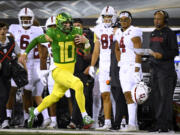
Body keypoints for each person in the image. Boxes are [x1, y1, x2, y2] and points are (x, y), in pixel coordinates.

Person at [18, 12, 94, 128]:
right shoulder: (53, 33)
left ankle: (36, 111)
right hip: (58, 70)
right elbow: (36, 40)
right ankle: (85, 116)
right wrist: (25, 53)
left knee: (55, 95)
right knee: (78, 84)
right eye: (65, 23)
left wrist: (87, 42)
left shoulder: (76, 32)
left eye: (69, 23)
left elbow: (87, 53)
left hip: (69, 70)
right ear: (58, 24)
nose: (68, 25)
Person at [1, 8, 50, 129]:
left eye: (28, 18)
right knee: (11, 91)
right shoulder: (13, 28)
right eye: (24, 18)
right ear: (20, 19)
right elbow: (8, 41)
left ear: (32, 19)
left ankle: (28, 118)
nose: (26, 20)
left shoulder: (38, 30)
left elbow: (42, 48)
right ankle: (7, 118)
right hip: (16, 62)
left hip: (31, 63)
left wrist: (43, 67)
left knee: (27, 92)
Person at [147, 10, 178, 132]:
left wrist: (162, 55)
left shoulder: (169, 33)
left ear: (165, 20)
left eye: (159, 19)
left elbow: (175, 51)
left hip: (166, 72)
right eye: (155, 18)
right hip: (154, 70)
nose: (156, 21)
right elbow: (152, 50)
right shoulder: (153, 33)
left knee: (165, 99)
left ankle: (166, 125)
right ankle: (158, 124)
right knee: (156, 98)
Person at [89, 6, 117, 130]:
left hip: (116, 65)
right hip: (104, 65)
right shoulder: (98, 29)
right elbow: (96, 50)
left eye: (109, 16)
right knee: (105, 94)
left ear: (114, 17)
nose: (107, 19)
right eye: (105, 17)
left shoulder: (119, 29)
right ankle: (107, 122)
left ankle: (121, 121)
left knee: (117, 96)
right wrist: (92, 65)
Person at [114, 11, 143, 131]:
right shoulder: (118, 32)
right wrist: (119, 61)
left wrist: (137, 69)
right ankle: (133, 123)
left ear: (130, 20)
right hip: (124, 67)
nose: (123, 22)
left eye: (126, 19)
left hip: (133, 66)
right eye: (122, 20)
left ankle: (132, 123)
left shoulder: (135, 30)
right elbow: (116, 49)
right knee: (127, 95)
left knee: (134, 95)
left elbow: (138, 51)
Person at [67, 18, 94, 129]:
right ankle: (81, 121)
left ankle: (75, 121)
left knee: (84, 96)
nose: (77, 27)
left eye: (79, 25)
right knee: (74, 97)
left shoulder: (88, 36)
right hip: (72, 70)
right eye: (75, 25)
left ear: (82, 27)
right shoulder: (68, 36)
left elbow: (93, 53)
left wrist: (90, 66)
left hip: (84, 70)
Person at [0, 22, 21, 127]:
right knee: (3, 96)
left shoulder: (12, 42)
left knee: (6, 96)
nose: (2, 32)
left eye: (4, 29)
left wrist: (23, 69)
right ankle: (4, 120)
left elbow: (19, 55)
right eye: (0, 30)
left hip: (8, 73)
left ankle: (3, 119)